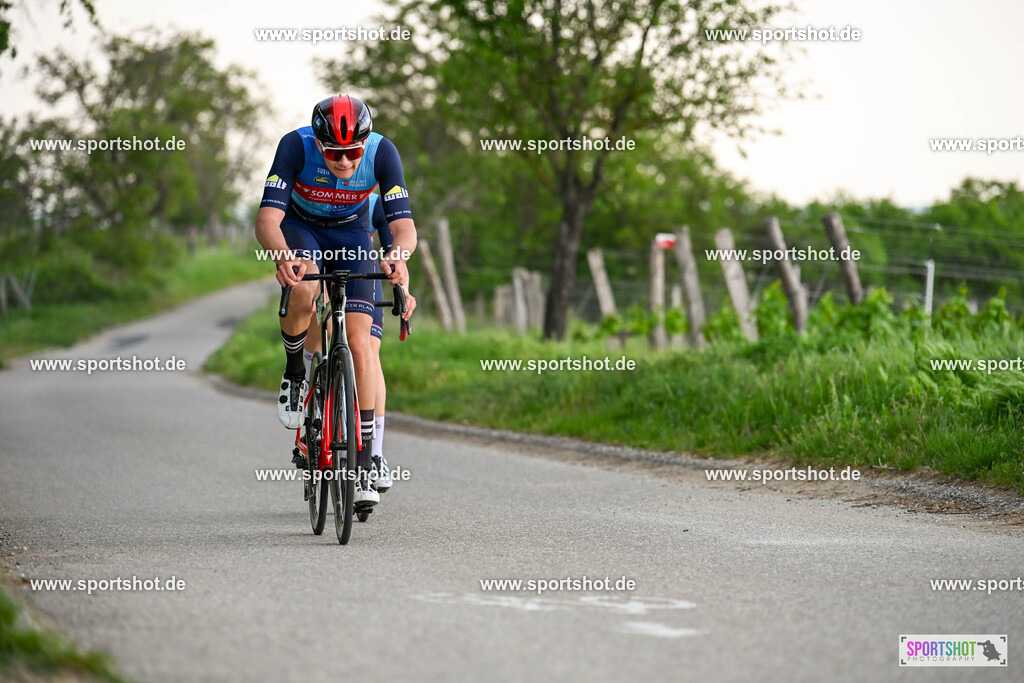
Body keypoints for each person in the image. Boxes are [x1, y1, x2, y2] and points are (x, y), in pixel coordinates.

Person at [255, 94, 416, 508]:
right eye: (335, 154)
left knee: (362, 344)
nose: (345, 162)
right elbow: (267, 220)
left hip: (350, 233)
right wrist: (283, 256)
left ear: (365, 143)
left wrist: (397, 258)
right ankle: (295, 372)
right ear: (319, 143)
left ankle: (365, 459)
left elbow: (403, 227)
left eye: (352, 153)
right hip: (301, 227)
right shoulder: (295, 145)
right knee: (306, 286)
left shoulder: (382, 152)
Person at [301, 193, 417, 493]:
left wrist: (404, 290)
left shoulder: (375, 202)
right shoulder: (313, 195)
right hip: (323, 276)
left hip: (361, 279)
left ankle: (374, 454)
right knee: (321, 322)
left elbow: (395, 254)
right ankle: (310, 404)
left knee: (368, 351)